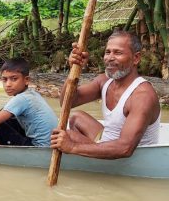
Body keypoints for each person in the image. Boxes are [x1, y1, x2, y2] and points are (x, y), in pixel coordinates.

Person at [50, 30, 160, 158]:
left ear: (136, 58)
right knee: (76, 117)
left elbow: (125, 149)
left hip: (124, 152)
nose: (110, 58)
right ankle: (88, 156)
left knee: (68, 135)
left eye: (118, 53)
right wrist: (74, 70)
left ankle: (84, 154)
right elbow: (66, 102)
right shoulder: (104, 81)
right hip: (106, 142)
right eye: (108, 52)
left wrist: (72, 147)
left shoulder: (142, 96)